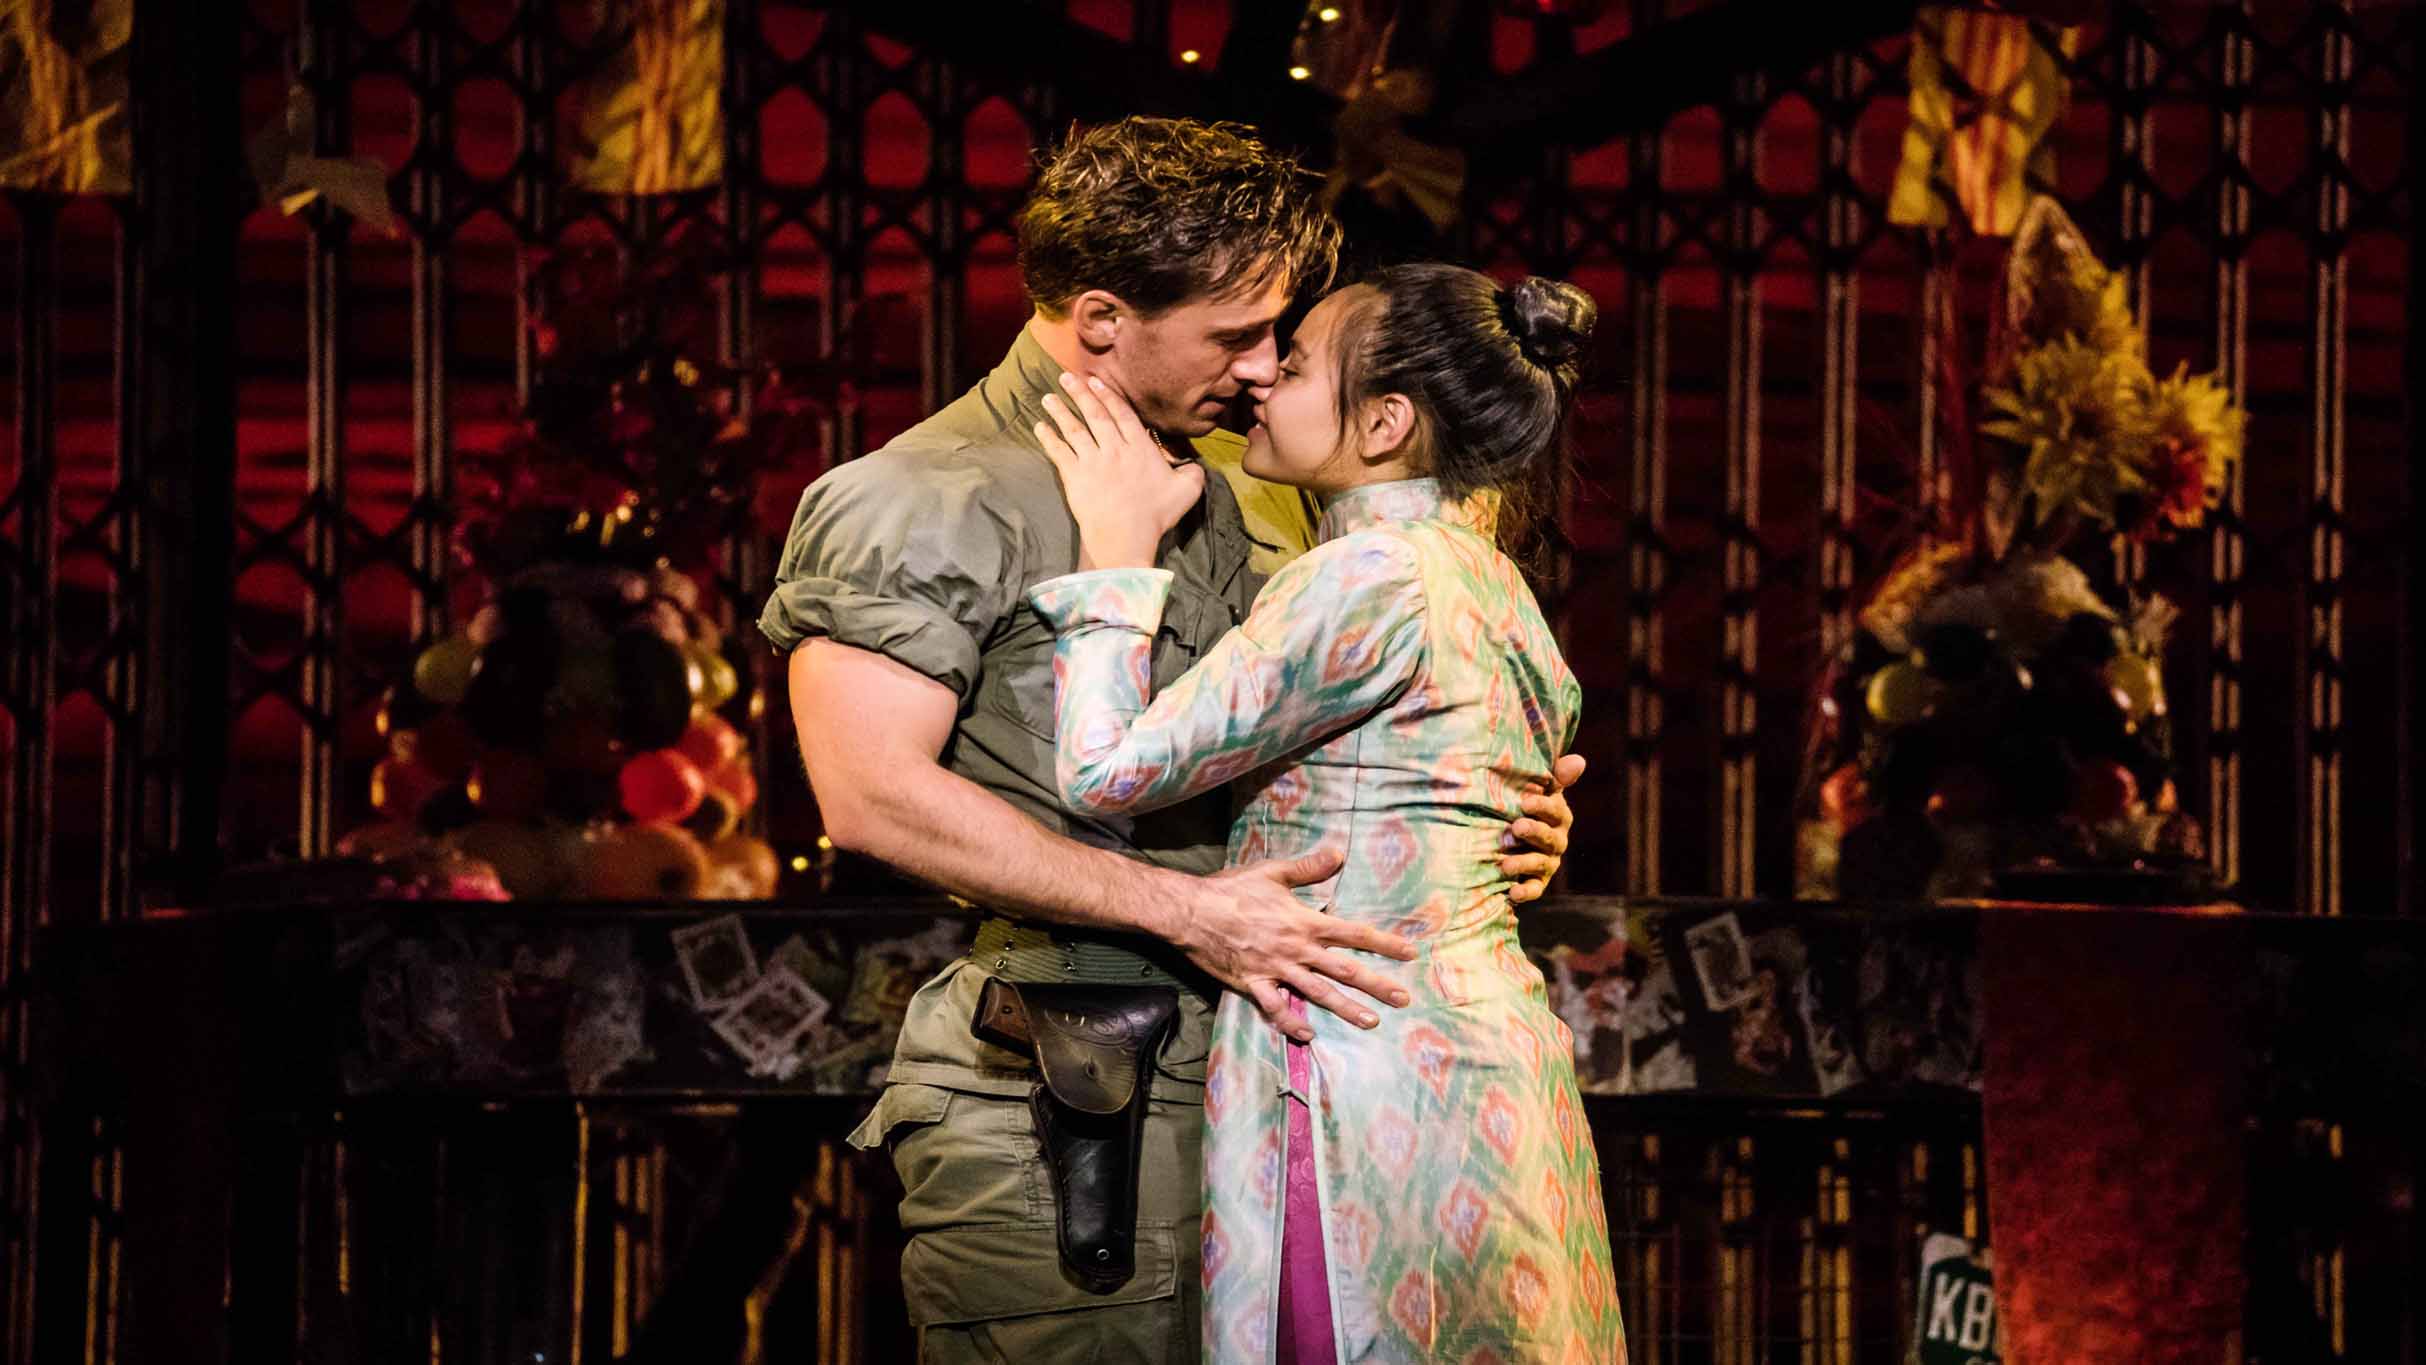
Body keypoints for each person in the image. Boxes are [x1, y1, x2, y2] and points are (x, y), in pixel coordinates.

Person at [759, 118, 1583, 1362]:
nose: (1261, 369)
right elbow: (871, 796)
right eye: (1233, 335)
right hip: (1073, 1093)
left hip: (1293, 1090)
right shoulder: (921, 495)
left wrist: (1474, 812)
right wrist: (1191, 913)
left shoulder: (1263, 482)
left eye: (1278, 336)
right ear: (1100, 319)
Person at [1023, 263, 1625, 1361]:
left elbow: (1107, 770)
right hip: (1483, 1065)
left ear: (1385, 424)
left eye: (1296, 366)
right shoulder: (1496, 587)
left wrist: (1113, 551)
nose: (1263, 379)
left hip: (1354, 1064)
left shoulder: (1365, 574)